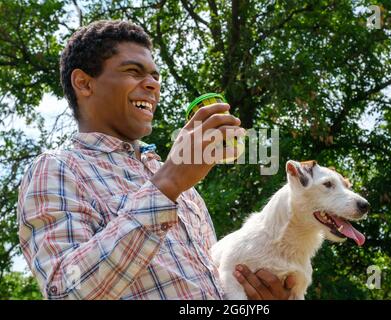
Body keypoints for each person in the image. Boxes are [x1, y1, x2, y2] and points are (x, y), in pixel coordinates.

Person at [17, 20, 295, 300]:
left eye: (155, 76)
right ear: (84, 83)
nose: (152, 84)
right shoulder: (56, 168)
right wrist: (167, 184)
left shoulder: (176, 181)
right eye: (133, 71)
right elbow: (66, 291)